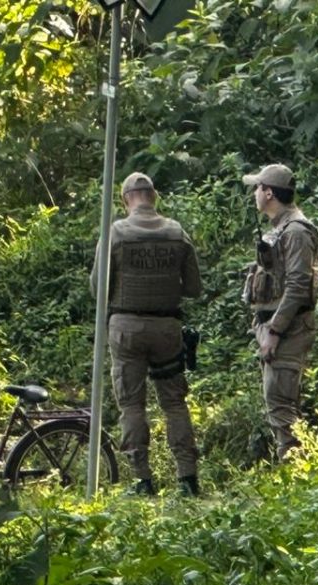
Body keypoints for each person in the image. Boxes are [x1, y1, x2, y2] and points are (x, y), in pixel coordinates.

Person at [90, 172, 203, 496]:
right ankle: (187, 478)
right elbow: (194, 288)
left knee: (132, 406)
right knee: (174, 404)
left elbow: (98, 289)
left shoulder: (116, 233)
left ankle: (143, 481)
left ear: (125, 200)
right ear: (154, 197)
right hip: (168, 329)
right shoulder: (176, 232)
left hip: (126, 330)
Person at [241, 163, 318, 463]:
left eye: (257, 188)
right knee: (278, 403)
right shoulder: (281, 229)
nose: (255, 194)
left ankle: (294, 476)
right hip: (274, 326)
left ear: (269, 192)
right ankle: (293, 473)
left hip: (287, 330)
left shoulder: (297, 230)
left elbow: (299, 285)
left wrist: (274, 331)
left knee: (282, 406)